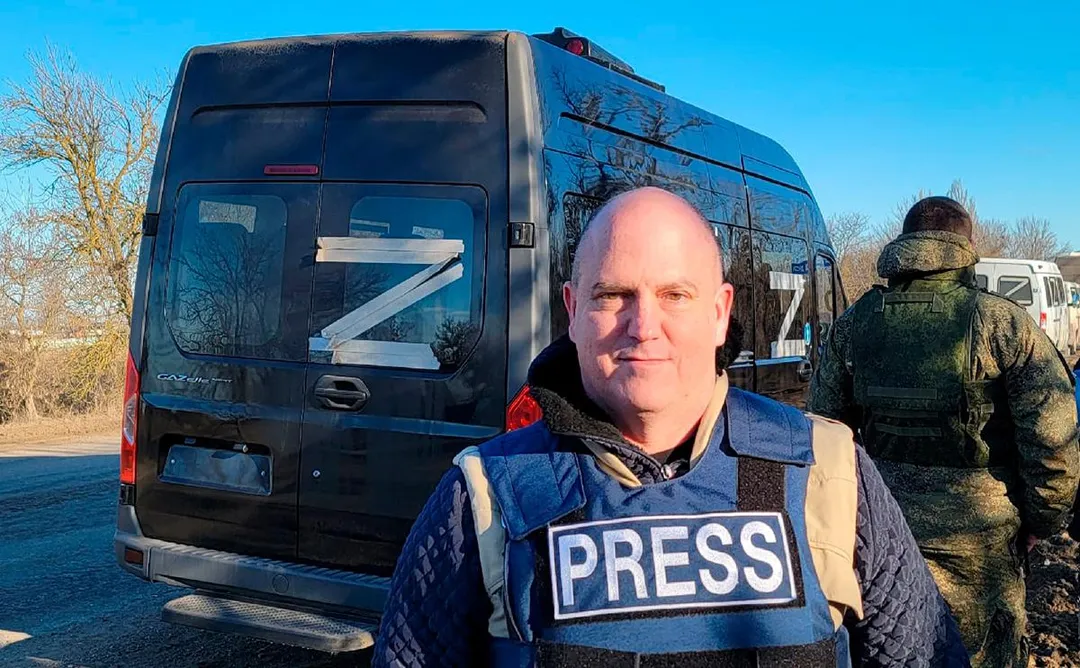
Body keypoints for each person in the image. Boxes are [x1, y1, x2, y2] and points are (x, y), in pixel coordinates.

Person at [373, 186, 969, 667]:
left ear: (720, 312)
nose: (643, 325)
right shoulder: (483, 495)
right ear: (573, 311)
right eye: (613, 295)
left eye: (675, 294)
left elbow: (923, 654)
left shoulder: (830, 472)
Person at [808, 196, 1080, 667]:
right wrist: (1042, 521)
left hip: (877, 531)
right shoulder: (1005, 325)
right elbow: (1054, 443)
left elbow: (821, 427)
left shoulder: (855, 324)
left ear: (906, 244)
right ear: (966, 246)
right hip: (980, 540)